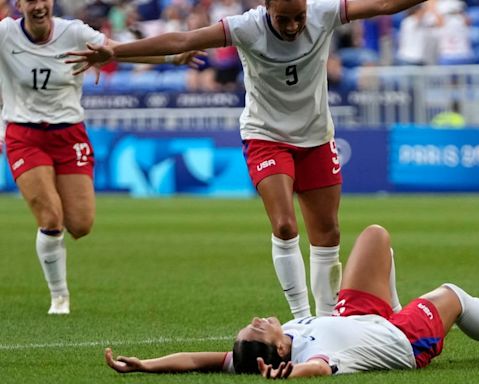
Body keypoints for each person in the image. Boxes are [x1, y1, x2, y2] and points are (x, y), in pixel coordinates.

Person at [67, 0, 430, 319]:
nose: (292, 27)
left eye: (298, 17)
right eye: (284, 19)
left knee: (328, 232)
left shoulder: (323, 12)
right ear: (267, 8)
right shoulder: (245, 27)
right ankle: (302, 319)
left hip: (317, 138)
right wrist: (116, 52)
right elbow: (183, 41)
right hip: (266, 137)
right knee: (285, 225)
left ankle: (326, 317)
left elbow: (383, 5)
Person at [0, 0, 204, 315]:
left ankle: (53, 245)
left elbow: (116, 50)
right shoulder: (5, 35)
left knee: (80, 225)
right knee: (51, 217)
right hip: (24, 136)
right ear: (19, 5)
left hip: (69, 134)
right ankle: (59, 298)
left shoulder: (73, 32)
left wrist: (172, 57)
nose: (38, 5)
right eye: (30, 0)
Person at [103, 224, 479, 378]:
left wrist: (147, 365)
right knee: (453, 294)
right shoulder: (314, 354)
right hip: (401, 338)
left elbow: (202, 360)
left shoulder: (267, 347)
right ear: (280, 352)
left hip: (359, 314)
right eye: (260, 327)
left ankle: (394, 306)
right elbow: (317, 369)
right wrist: (289, 376)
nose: (258, 317)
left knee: (375, 236)